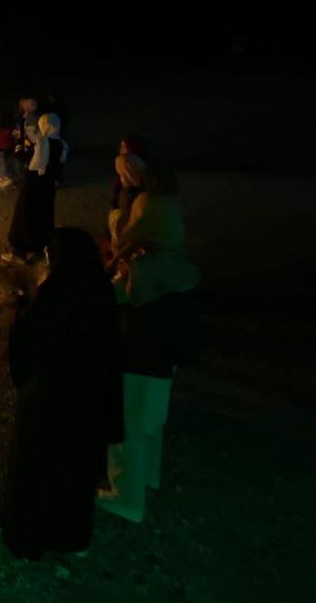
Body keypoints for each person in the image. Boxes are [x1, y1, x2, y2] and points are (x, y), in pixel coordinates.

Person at [0, 228, 124, 559]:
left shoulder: (55, 295)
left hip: (50, 404)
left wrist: (22, 305)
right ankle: (70, 536)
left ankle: (29, 536)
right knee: (74, 475)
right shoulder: (101, 292)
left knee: (38, 473)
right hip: (89, 404)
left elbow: (26, 343)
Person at [99, 164, 200, 524]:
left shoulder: (144, 266)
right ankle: (149, 478)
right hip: (164, 360)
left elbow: (113, 298)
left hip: (139, 356)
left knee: (127, 426)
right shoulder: (178, 260)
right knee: (151, 423)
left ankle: (126, 495)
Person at [2, 114, 67, 264]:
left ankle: (19, 251)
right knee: (43, 216)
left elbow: (33, 164)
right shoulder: (61, 144)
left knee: (25, 215)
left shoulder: (44, 142)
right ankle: (38, 248)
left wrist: (19, 150)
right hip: (48, 187)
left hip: (34, 186)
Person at [108, 136, 148, 247]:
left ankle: (121, 244)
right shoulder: (133, 160)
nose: (121, 149)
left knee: (125, 220)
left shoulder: (125, 159)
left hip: (127, 191)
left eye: (123, 146)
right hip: (131, 191)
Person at [10, 98, 40, 183]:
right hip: (28, 143)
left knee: (29, 160)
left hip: (31, 144)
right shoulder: (28, 116)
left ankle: (29, 178)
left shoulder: (32, 118)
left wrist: (26, 140)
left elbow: (32, 133)